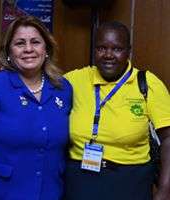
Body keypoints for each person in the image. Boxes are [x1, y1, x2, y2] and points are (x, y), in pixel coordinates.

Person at [63, 21, 170, 200]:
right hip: (80, 181)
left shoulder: (147, 84)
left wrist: (165, 189)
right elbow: (37, 87)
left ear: (128, 51)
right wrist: (9, 72)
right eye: (101, 48)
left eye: (117, 49)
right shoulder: (74, 80)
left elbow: (168, 139)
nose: (108, 55)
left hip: (130, 182)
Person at [0, 16, 72, 200]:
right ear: (9, 50)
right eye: (19, 43)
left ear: (46, 49)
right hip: (1, 193)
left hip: (50, 193)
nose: (28, 49)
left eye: (35, 42)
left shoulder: (63, 88)